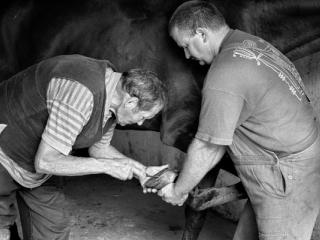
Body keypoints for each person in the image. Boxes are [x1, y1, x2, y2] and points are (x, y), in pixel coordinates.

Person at [158, 1, 320, 240]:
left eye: (186, 46)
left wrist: (179, 190)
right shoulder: (252, 43)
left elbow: (209, 148)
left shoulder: (225, 73)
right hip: (289, 164)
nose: (186, 55)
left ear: (201, 34)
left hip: (285, 175)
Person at [0, 54, 168, 240]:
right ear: (131, 102)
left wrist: (141, 171)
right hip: (4, 150)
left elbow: (99, 149)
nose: (139, 123)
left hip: (35, 163)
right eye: (143, 117)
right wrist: (107, 167)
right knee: (2, 230)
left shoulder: (112, 99)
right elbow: (46, 161)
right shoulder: (82, 92)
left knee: (53, 228)